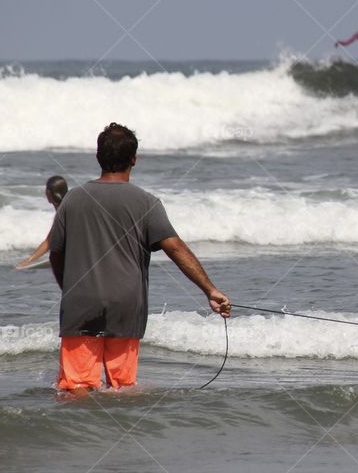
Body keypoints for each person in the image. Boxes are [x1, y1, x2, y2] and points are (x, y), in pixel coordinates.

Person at [49, 123, 230, 395]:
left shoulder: (72, 201)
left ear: (98, 157)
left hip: (80, 304)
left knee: (76, 388)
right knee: (122, 389)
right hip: (126, 306)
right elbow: (175, 248)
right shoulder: (146, 202)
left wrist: (70, 288)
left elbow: (56, 254)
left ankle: (83, 436)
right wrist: (210, 290)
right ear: (134, 159)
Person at [16, 176, 68, 269]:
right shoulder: (65, 208)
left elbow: (49, 242)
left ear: (48, 193)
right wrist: (29, 261)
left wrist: (28, 261)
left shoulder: (63, 212)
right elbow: (49, 241)